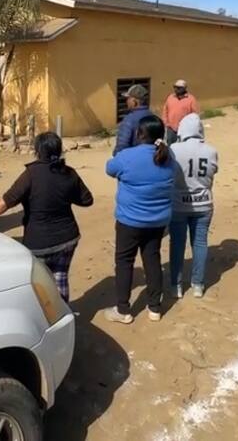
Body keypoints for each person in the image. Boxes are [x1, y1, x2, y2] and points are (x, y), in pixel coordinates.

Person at [0, 132, 93, 302]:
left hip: (39, 243)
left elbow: (7, 201)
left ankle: (42, 315)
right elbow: (87, 200)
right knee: (60, 278)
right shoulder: (69, 173)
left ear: (37, 151)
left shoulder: (31, 174)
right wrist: (65, 193)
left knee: (38, 286)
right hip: (67, 239)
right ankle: (62, 313)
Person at [104, 115, 175, 324]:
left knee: (124, 262)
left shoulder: (128, 156)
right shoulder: (168, 156)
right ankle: (154, 308)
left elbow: (109, 168)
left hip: (129, 221)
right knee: (152, 259)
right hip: (157, 221)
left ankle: (123, 310)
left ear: (140, 134)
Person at [169, 112, 219, 299]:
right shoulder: (211, 150)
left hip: (179, 204)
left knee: (177, 244)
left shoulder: (174, 149)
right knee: (200, 243)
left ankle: (176, 285)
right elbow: (214, 171)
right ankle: (198, 284)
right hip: (204, 204)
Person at [113, 84, 152, 155]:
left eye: (128, 98)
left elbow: (122, 146)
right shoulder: (152, 116)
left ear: (134, 101)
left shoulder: (129, 120)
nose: (126, 101)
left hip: (133, 158)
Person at [162, 79, 200, 145]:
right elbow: (165, 110)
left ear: (184, 88)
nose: (176, 89)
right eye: (175, 87)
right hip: (171, 128)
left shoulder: (191, 99)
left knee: (183, 146)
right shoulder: (170, 97)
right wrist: (166, 123)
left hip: (185, 129)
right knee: (170, 146)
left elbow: (195, 115)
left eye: (179, 88)